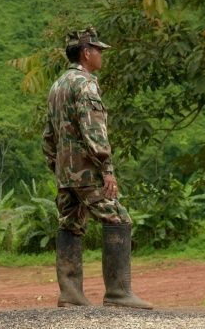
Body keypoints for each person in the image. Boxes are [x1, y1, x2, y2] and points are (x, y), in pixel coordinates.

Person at [42, 26, 152, 310]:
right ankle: (118, 293)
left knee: (70, 224)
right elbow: (94, 131)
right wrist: (106, 168)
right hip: (88, 171)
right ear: (86, 53)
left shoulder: (57, 86)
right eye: (98, 50)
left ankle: (71, 295)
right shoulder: (85, 84)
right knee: (118, 218)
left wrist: (58, 167)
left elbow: (48, 136)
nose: (101, 55)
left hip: (65, 173)